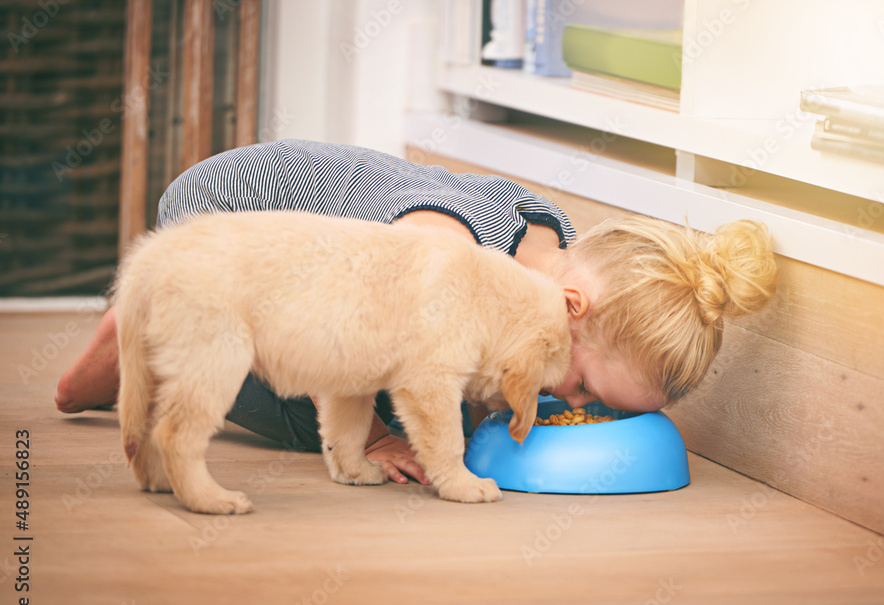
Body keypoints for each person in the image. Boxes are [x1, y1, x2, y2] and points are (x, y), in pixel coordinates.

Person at [56, 139, 777, 485]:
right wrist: (370, 436)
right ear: (569, 307)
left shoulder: (550, 248)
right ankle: (146, 332)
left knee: (430, 400)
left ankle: (166, 328)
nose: (571, 401)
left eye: (596, 407)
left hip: (288, 266)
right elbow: (344, 321)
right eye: (583, 385)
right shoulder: (448, 245)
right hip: (234, 222)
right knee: (329, 402)